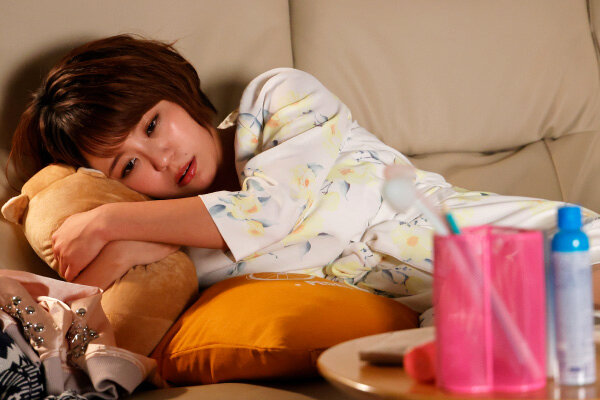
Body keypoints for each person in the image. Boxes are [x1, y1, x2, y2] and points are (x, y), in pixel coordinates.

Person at [7, 35, 600, 325]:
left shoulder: (280, 99)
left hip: (526, 243)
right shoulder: (186, 250)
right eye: (128, 166)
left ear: (180, 92)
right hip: (456, 315)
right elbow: (75, 307)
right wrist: (117, 240)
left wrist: (109, 219)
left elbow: (267, 214)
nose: (160, 159)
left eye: (153, 123)